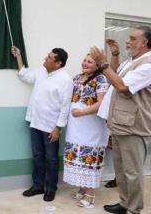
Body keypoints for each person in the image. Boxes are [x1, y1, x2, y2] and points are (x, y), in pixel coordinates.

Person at [90, 26, 151, 214]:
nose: (127, 41)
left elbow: (121, 86)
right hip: (121, 123)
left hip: (134, 127)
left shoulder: (149, 65)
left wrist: (102, 63)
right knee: (121, 170)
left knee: (132, 172)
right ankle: (124, 203)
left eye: (132, 38)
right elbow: (113, 75)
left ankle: (134, 209)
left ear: (144, 42)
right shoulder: (133, 60)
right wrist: (115, 55)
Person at [11, 46, 73, 202]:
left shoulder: (65, 79)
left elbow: (65, 106)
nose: (46, 58)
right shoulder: (41, 72)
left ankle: (51, 188)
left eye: (50, 57)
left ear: (58, 63)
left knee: (51, 158)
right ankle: (38, 186)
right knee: (38, 156)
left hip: (51, 127)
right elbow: (24, 75)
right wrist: (18, 56)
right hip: (35, 122)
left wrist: (58, 128)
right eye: (48, 55)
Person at [63, 53, 109, 208]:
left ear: (97, 65)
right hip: (76, 127)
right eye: (84, 60)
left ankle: (90, 194)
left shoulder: (101, 79)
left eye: (90, 61)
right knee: (78, 158)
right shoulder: (76, 78)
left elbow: (102, 103)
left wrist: (83, 112)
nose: (85, 63)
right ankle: (82, 187)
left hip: (92, 127)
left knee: (88, 158)